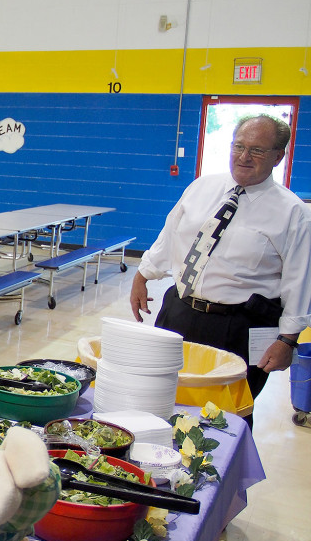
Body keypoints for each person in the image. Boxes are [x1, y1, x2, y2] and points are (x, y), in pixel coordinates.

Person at [130, 114, 311, 411]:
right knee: (160, 398)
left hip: (239, 325)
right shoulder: (202, 187)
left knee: (223, 415)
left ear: (278, 156)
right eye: (238, 146)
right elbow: (171, 234)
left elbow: (300, 281)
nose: (244, 156)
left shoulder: (293, 213)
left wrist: (287, 341)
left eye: (257, 150)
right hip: (180, 311)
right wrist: (143, 275)